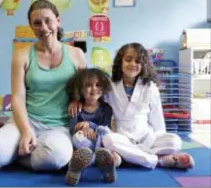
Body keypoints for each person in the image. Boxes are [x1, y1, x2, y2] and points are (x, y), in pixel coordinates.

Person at [0, 0, 86, 171]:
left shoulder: (77, 54)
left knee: (58, 157)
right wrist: (27, 132)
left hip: (59, 126)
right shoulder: (22, 55)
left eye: (48, 20)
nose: (43, 27)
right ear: (31, 26)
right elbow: (18, 97)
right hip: (26, 121)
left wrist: (78, 99)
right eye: (37, 23)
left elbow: (86, 88)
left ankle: (14, 156)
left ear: (58, 20)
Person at [69, 42, 194, 170]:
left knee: (175, 141)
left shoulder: (150, 87)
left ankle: (125, 156)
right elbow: (91, 94)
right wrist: (76, 100)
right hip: (122, 137)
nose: (133, 64)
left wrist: (160, 138)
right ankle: (157, 160)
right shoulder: (110, 85)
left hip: (146, 137)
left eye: (137, 61)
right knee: (108, 140)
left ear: (143, 65)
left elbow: (157, 120)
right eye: (128, 60)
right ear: (120, 62)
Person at [65, 68, 121, 185]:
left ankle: (106, 163)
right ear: (80, 89)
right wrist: (81, 128)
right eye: (88, 85)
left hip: (100, 141)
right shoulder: (77, 108)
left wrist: (90, 125)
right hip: (84, 143)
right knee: (77, 137)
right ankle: (88, 160)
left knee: (105, 133)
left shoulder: (106, 109)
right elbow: (71, 129)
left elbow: (106, 128)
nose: (94, 88)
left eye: (98, 85)